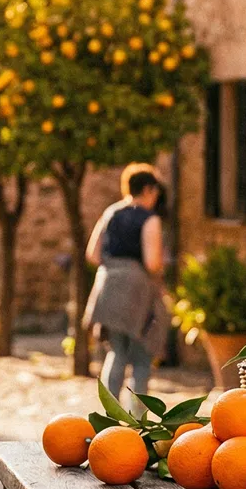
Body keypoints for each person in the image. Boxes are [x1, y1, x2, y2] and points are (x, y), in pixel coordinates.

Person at [82, 166, 169, 401]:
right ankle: (137, 420)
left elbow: (92, 254)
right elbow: (152, 262)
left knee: (116, 352)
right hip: (137, 288)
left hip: (108, 284)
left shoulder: (111, 212)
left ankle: (110, 415)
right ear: (149, 189)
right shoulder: (149, 218)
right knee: (142, 356)